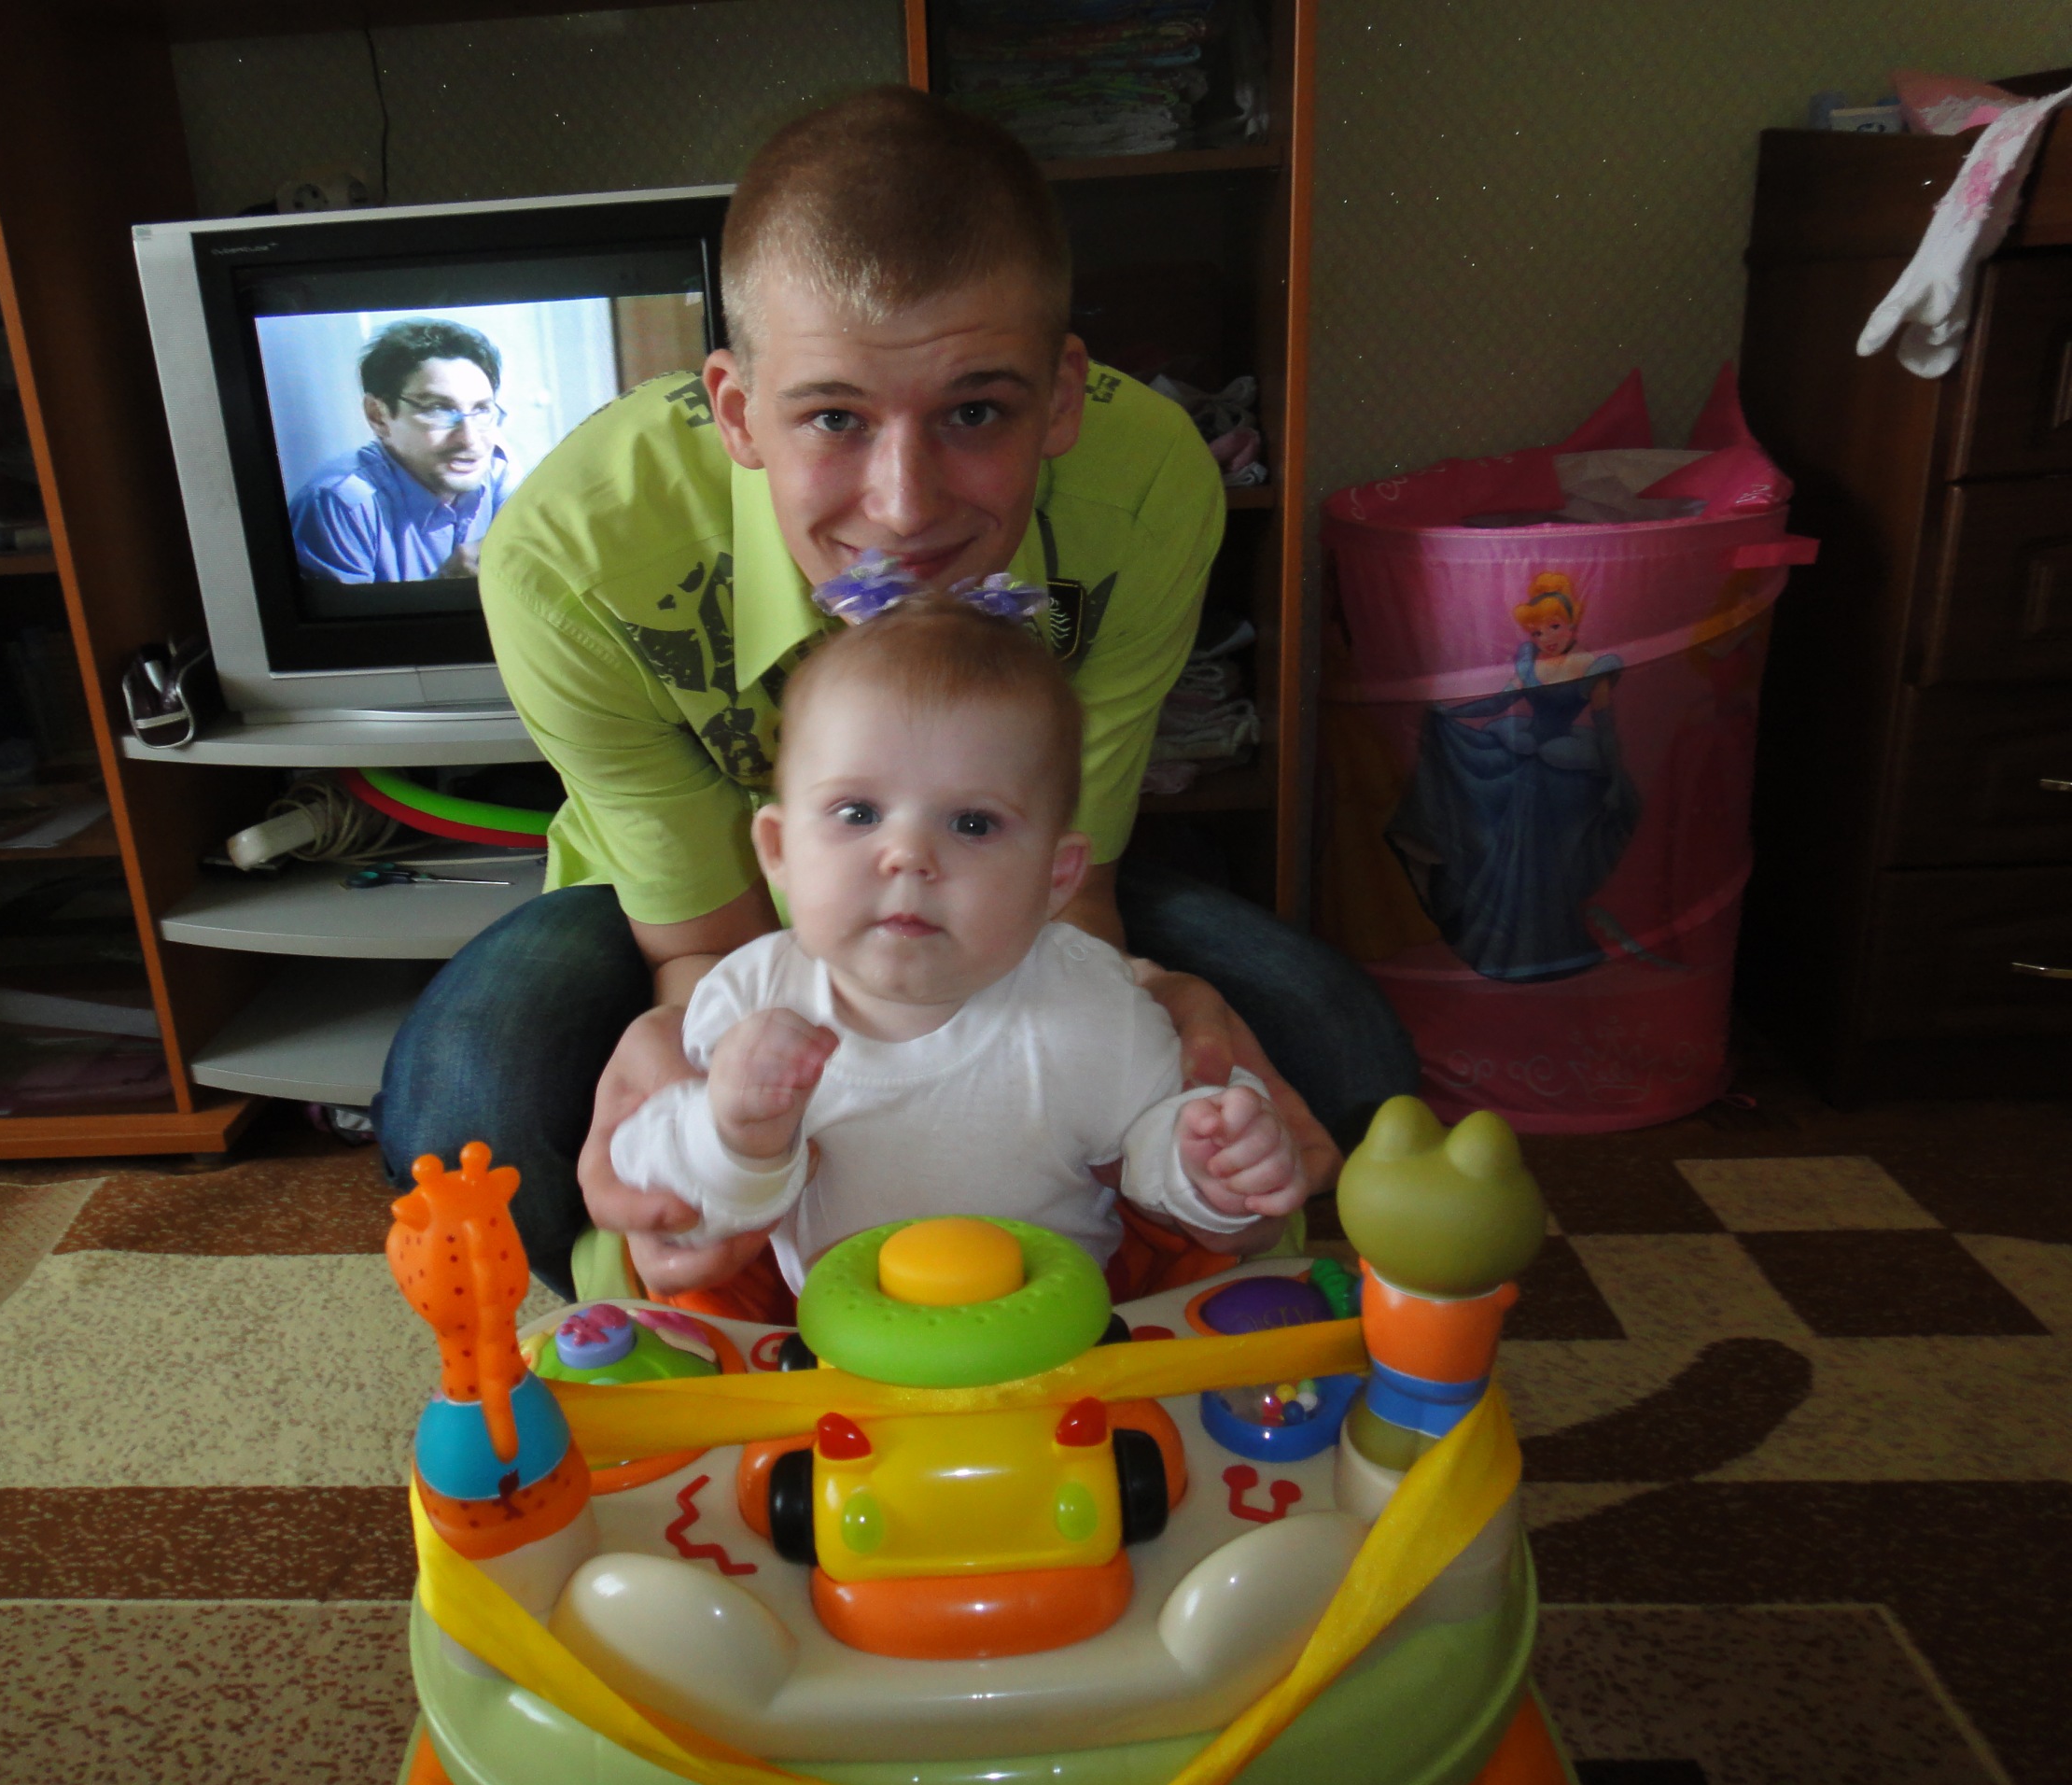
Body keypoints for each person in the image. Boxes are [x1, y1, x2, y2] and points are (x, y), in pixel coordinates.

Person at [375, 86, 1419, 1299]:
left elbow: (1075, 892)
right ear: (737, 412)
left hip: (998, 886)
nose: (906, 506)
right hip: (688, 918)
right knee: (467, 1125)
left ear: (1062, 398)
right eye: (834, 418)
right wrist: (694, 1061)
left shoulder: (1148, 493)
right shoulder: (571, 560)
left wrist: (1135, 1023)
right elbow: (703, 945)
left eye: (975, 411)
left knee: (1345, 1070)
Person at [607, 593, 1305, 1315]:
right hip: (832, 1340)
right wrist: (730, 1135)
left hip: (1055, 1333)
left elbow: (1161, 1165)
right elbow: (674, 1203)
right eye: (858, 813)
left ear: (1057, 876)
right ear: (779, 849)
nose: (908, 854)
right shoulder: (749, 1000)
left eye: (973, 823)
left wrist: (1213, 1162)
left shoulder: (1093, 1007)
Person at [1385, 572, 1639, 982]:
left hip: (1567, 765)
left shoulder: (1593, 667)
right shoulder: (1529, 661)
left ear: (1572, 624)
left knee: (1550, 855)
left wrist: (1612, 779)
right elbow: (1500, 702)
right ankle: (1511, 936)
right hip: (1529, 754)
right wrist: (1453, 714)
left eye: (1554, 626)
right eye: (1537, 631)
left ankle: (1548, 940)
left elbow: (1605, 728)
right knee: (1507, 834)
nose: (1546, 638)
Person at [287, 317, 519, 584]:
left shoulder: (497, 472)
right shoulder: (339, 505)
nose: (470, 441)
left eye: (481, 410)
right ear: (378, 416)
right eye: (438, 409)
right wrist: (444, 583)